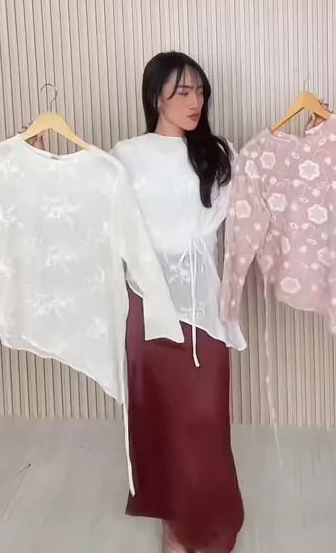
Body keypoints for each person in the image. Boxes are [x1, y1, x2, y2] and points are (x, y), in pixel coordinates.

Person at [111, 51, 246, 553]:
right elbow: (90, 202)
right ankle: (174, 524)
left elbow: (267, 186)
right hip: (148, 304)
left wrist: (319, 134)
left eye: (201, 91)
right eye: (183, 91)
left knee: (205, 420)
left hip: (203, 306)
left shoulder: (219, 153)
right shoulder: (126, 155)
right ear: (156, 96)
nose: (195, 102)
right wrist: (34, 154)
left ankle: (206, 527)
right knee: (159, 417)